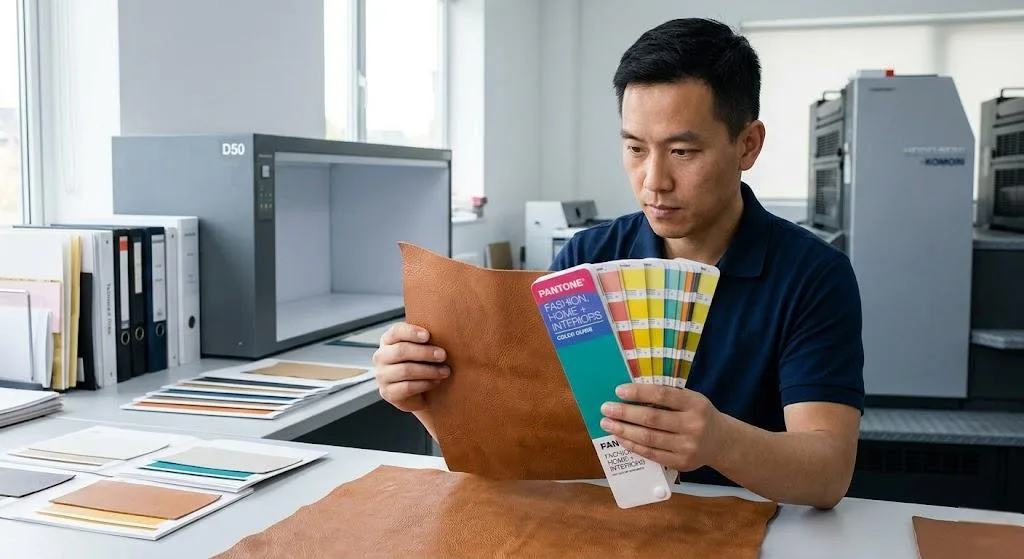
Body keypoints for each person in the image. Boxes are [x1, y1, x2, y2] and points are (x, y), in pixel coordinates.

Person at [372, 17, 864, 510]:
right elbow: (524, 441)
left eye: (682, 151)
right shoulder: (586, 261)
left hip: (753, 527)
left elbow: (827, 473)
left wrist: (720, 441)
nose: (654, 181)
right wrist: (427, 399)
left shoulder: (813, 275)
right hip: (603, 521)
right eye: (634, 148)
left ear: (747, 145)